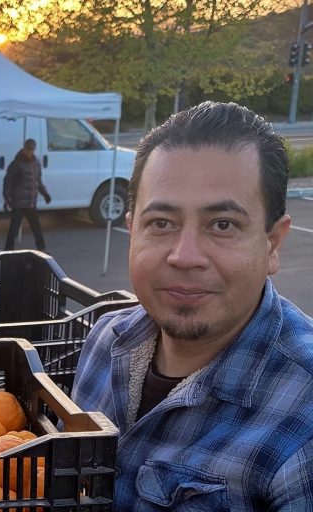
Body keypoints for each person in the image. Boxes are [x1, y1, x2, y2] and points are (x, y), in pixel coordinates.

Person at [70, 102, 313, 510]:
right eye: (161, 223)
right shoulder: (103, 342)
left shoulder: (303, 420)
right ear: (133, 230)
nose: (185, 256)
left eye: (222, 225)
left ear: (272, 242)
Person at [3, 138, 51, 251]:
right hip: (19, 202)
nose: (30, 152)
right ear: (24, 148)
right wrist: (7, 198)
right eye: (28, 149)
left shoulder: (36, 163)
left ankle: (42, 249)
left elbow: (38, 181)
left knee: (36, 228)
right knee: (14, 229)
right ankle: (8, 250)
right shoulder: (16, 164)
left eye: (32, 149)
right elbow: (8, 182)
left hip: (30, 202)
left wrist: (45, 194)